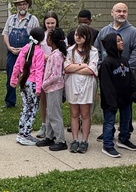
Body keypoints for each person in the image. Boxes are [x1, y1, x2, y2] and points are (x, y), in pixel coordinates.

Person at [95, 2, 136, 143]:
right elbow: (97, 51)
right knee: (109, 105)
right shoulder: (104, 31)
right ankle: (108, 132)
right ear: (112, 13)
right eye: (118, 11)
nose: (121, 13)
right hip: (108, 77)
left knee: (125, 106)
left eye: (124, 11)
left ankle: (125, 133)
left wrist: (126, 68)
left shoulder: (133, 32)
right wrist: (100, 67)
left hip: (123, 77)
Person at [98, 33, 136, 158]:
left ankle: (123, 139)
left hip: (125, 98)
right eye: (118, 41)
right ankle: (108, 145)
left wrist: (134, 92)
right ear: (111, 44)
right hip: (111, 101)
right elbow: (106, 85)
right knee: (109, 122)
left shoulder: (124, 60)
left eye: (121, 40)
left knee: (126, 119)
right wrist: (111, 102)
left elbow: (131, 78)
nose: (122, 43)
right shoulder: (106, 63)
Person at [64, 24, 99, 153]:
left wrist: (75, 67)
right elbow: (67, 68)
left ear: (87, 37)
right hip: (72, 85)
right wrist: (82, 65)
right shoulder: (70, 51)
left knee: (85, 114)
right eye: (76, 35)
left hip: (87, 85)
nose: (77, 38)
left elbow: (91, 70)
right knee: (74, 113)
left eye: (81, 36)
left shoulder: (93, 51)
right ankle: (75, 139)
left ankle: (84, 140)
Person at [10, 25, 45, 145]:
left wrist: (14, 80)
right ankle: (26, 134)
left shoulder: (24, 48)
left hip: (23, 82)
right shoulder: (39, 52)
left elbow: (16, 65)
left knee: (26, 107)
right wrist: (39, 88)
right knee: (33, 109)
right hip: (34, 84)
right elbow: (39, 71)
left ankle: (21, 133)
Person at [2, 0, 39, 108]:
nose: (22, 6)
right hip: (12, 53)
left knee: (27, 76)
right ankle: (10, 101)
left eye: (24, 4)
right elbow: (5, 34)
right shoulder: (11, 19)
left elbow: (37, 37)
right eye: (20, 4)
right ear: (17, 6)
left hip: (27, 54)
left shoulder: (33, 20)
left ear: (28, 5)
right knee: (10, 76)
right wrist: (9, 47)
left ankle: (27, 101)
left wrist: (24, 50)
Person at [36, 27, 69, 152]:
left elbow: (56, 75)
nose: (46, 40)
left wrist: (44, 84)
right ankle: (49, 136)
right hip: (50, 88)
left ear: (52, 40)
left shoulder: (56, 56)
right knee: (49, 112)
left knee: (55, 114)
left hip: (55, 88)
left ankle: (60, 140)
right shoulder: (53, 54)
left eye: (48, 37)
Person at [36, 11, 60, 137]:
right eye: (48, 23)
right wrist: (44, 56)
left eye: (53, 23)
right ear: (44, 23)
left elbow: (62, 50)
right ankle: (44, 125)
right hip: (43, 68)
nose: (50, 25)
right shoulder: (42, 36)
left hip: (55, 69)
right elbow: (37, 49)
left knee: (54, 99)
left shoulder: (60, 35)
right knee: (44, 98)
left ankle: (53, 126)